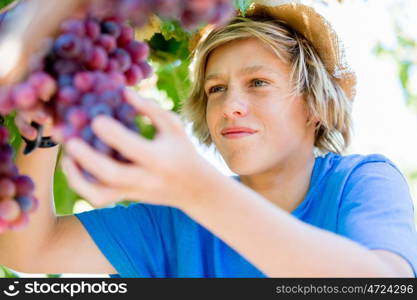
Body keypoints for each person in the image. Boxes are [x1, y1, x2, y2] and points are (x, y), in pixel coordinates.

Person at [1, 0, 416, 278]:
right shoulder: (177, 220)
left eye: (258, 82)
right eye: (216, 89)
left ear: (316, 107)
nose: (230, 105)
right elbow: (27, 253)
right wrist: (47, 132)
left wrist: (197, 189)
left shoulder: (358, 182)